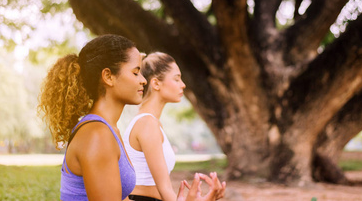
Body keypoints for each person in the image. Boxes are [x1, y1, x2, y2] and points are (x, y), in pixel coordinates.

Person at [38, 35, 223, 201]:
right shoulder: (97, 135)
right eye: (135, 72)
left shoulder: (109, 130)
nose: (143, 80)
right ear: (108, 77)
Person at [123, 52, 226, 201]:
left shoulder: (151, 122)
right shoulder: (147, 124)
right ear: (156, 83)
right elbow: (164, 190)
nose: (183, 84)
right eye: (176, 79)